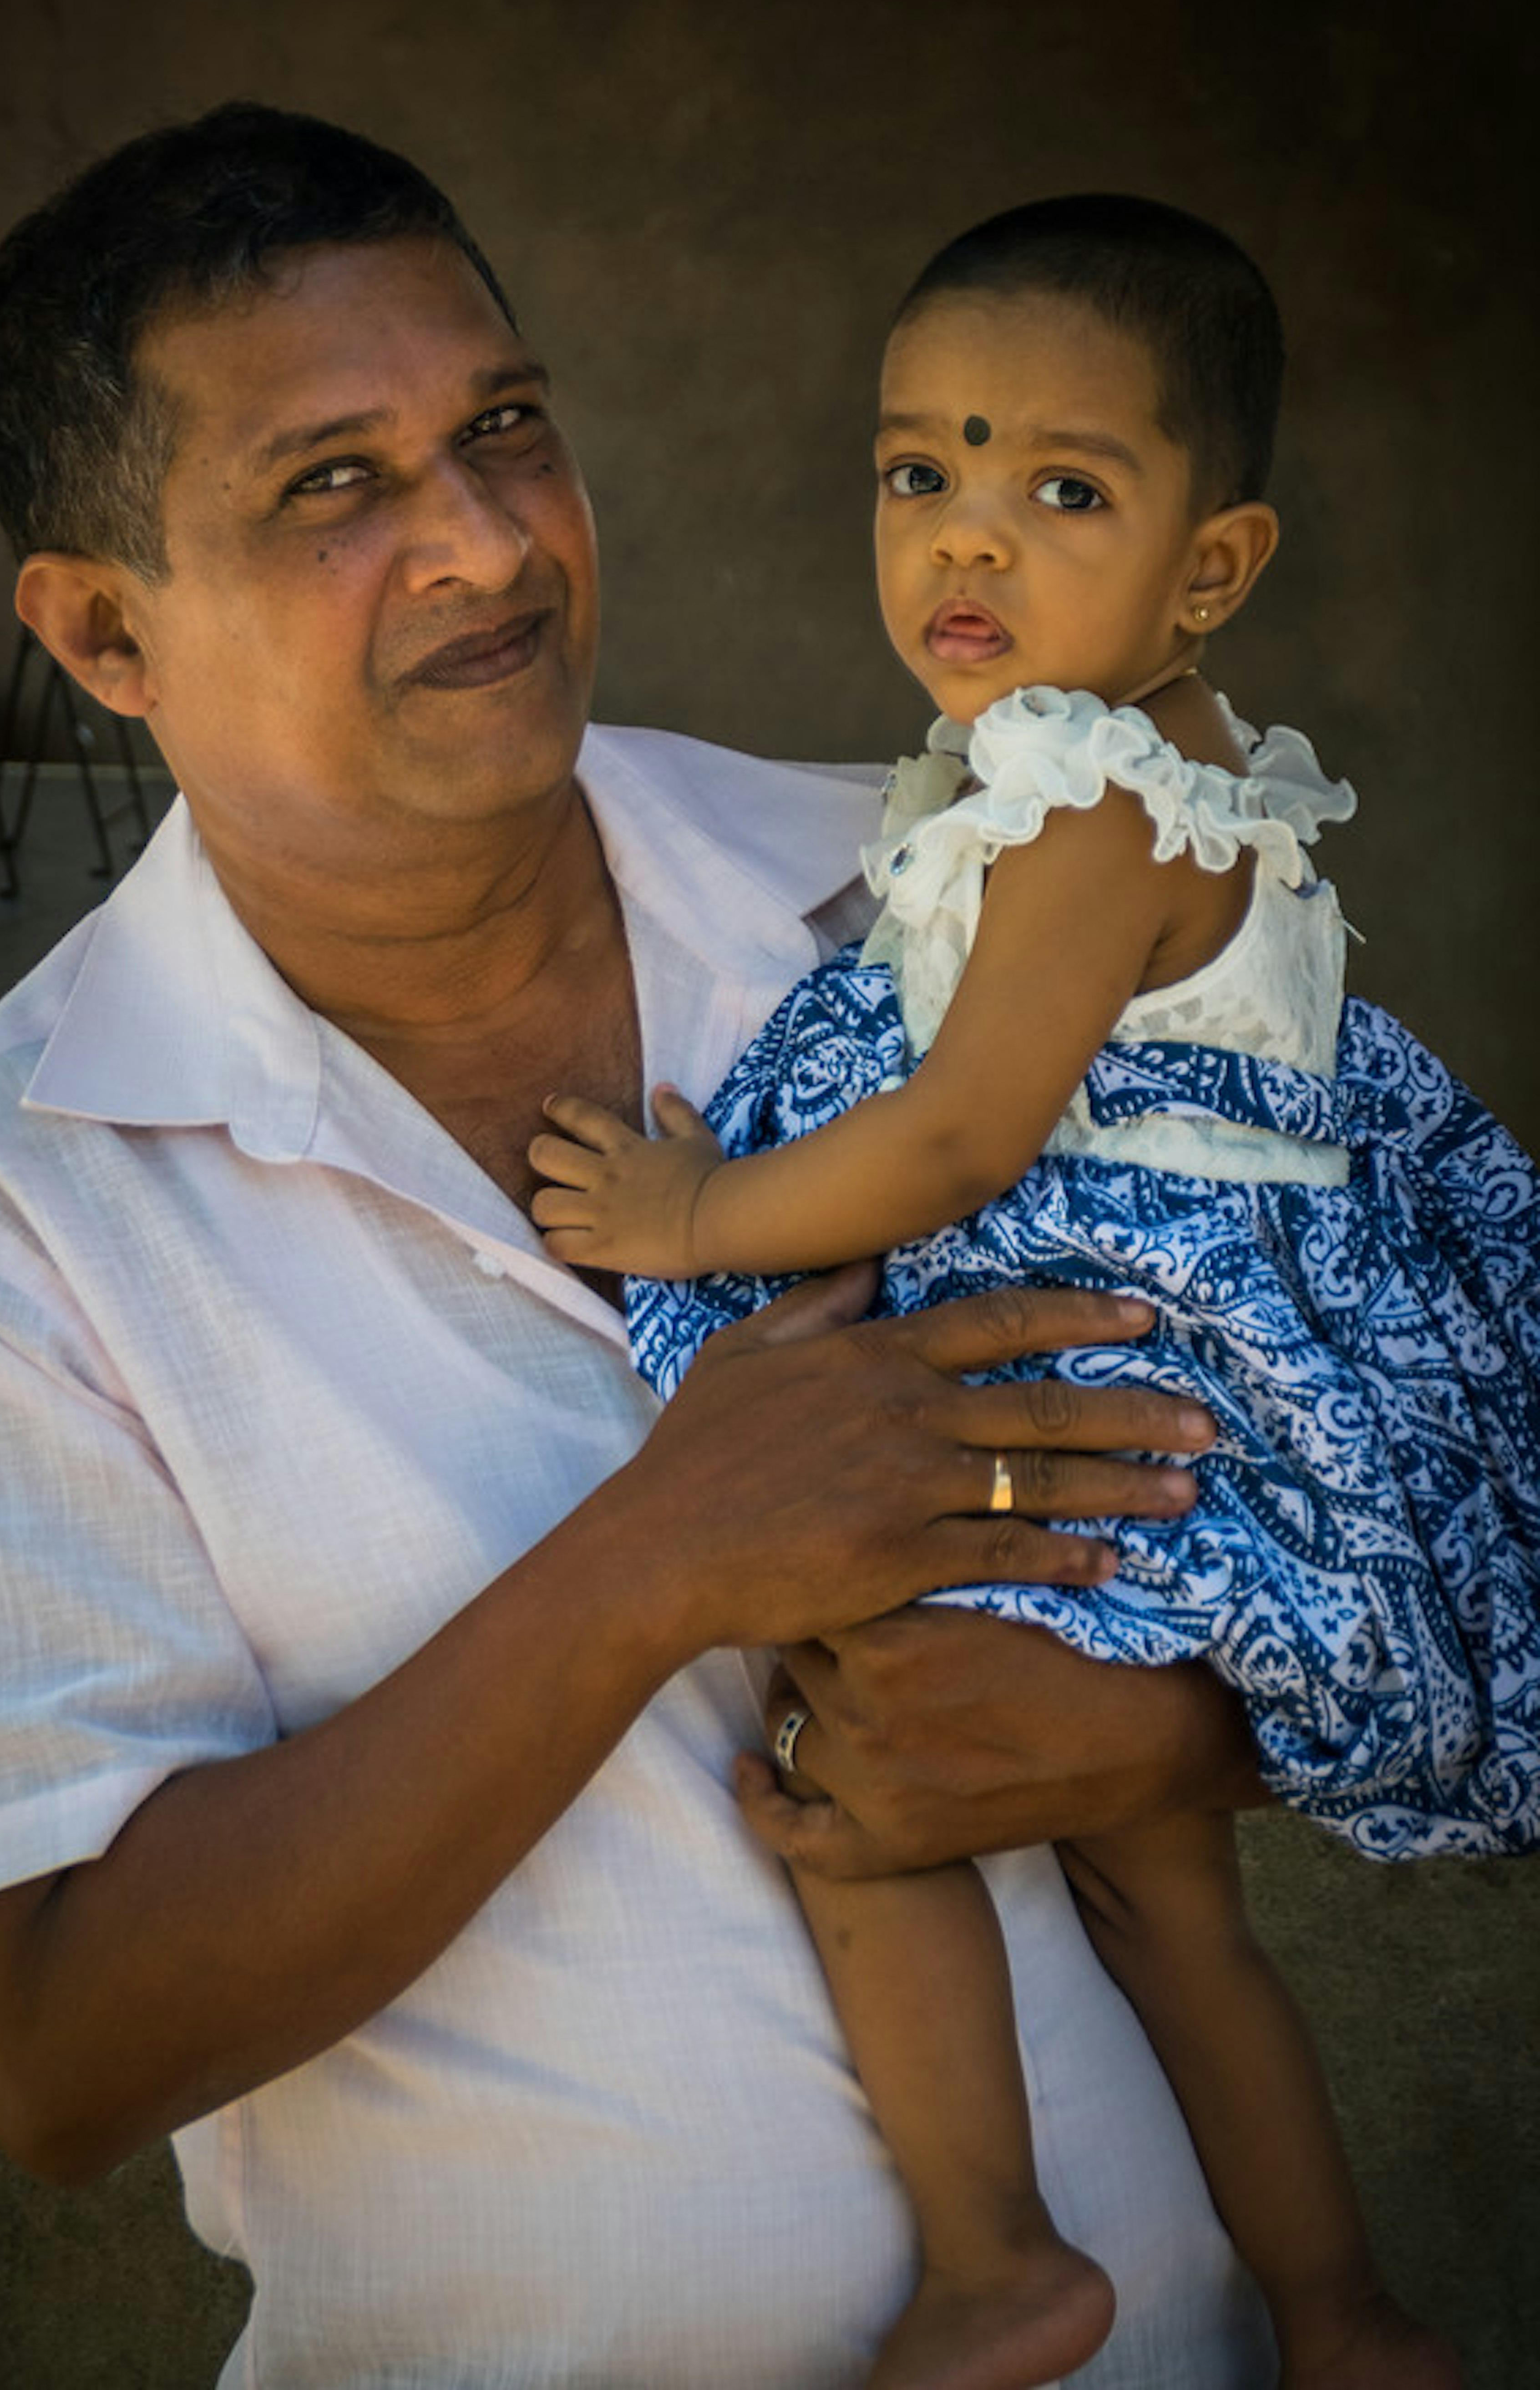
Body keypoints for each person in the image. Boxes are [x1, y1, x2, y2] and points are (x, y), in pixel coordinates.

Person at [0, 111, 1291, 2390]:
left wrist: (1183, 1731)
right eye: (336, 486)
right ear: (106, 630)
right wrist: (663, 1555)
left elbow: (1355, 1461)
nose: (489, 543)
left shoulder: (927, 904)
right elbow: (58, 2054)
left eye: (504, 430)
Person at [531, 196, 1540, 2388]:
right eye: (923, 477)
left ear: (1213, 570)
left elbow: (973, 1138)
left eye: (1060, 490)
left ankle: (997, 2267)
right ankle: (1348, 2320)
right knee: (1178, 1918)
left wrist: (698, 1221)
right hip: (1160, 1389)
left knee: (864, 1779)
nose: (966, 546)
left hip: (1107, 1391)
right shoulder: (1076, 782)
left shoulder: (1102, 813)